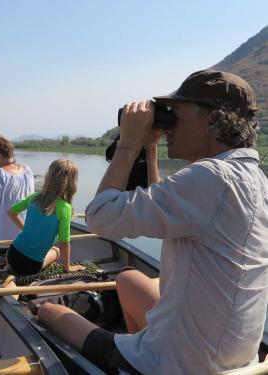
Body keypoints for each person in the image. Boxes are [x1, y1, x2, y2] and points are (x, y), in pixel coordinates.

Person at [37, 70, 268, 374]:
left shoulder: (211, 177)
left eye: (176, 115)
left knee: (48, 311)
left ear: (212, 121)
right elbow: (164, 218)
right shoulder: (253, 178)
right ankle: (135, 347)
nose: (168, 124)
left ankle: (131, 364)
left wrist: (129, 144)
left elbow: (101, 218)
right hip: (232, 358)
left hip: (176, 364)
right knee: (128, 278)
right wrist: (150, 149)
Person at [6, 159, 85, 275]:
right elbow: (64, 243)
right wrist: (67, 267)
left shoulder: (34, 196)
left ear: (49, 176)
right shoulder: (65, 208)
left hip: (12, 255)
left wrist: (25, 229)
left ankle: (10, 268)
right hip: (31, 266)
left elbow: (11, 212)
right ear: (71, 183)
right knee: (56, 250)